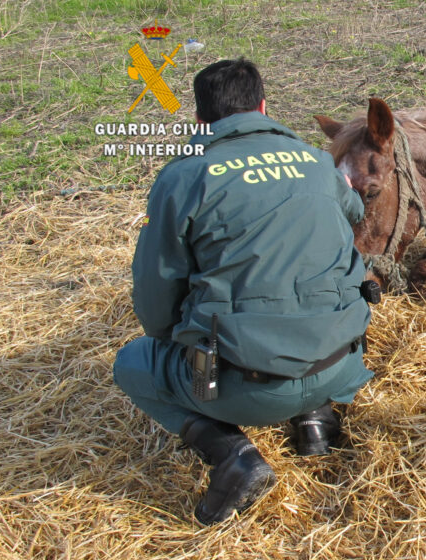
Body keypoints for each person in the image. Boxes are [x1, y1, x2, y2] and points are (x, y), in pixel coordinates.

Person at [113, 58, 375, 525]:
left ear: (200, 120)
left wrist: (177, 338)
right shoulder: (316, 162)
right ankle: (316, 422)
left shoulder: (184, 176)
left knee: (133, 363)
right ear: (263, 105)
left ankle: (232, 455)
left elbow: (156, 307)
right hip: (341, 366)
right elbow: (355, 209)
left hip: (242, 388)